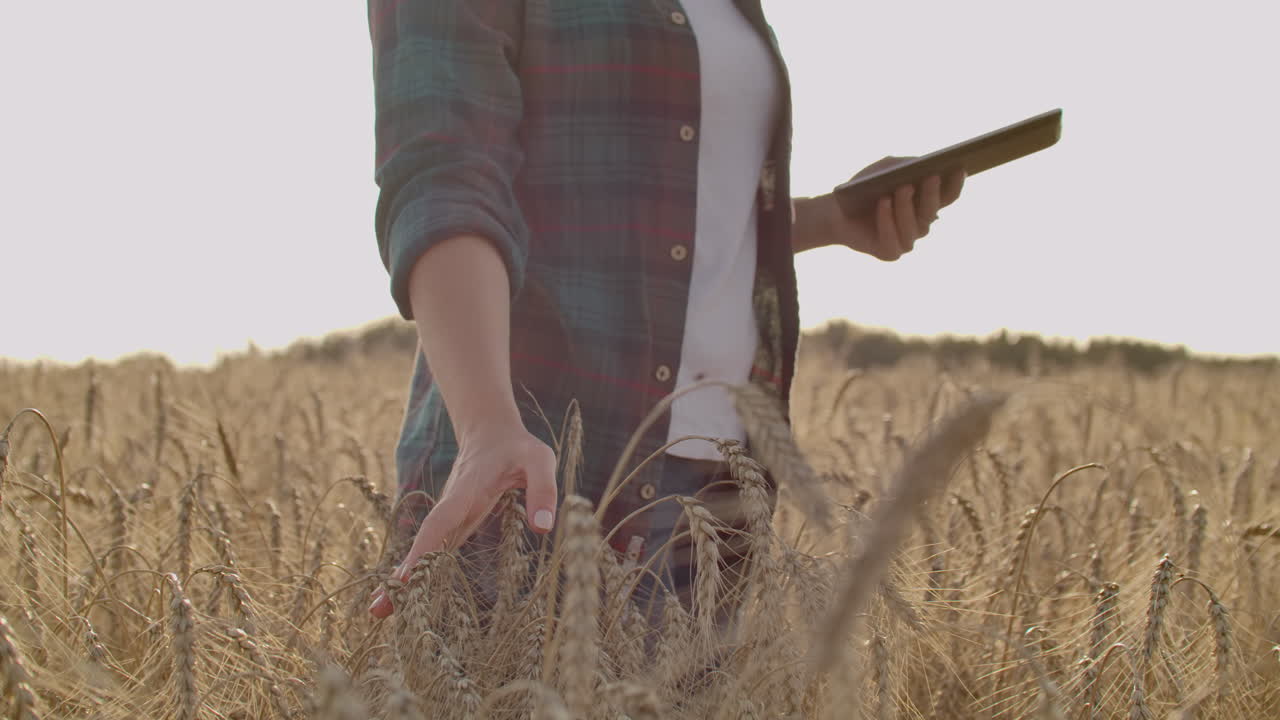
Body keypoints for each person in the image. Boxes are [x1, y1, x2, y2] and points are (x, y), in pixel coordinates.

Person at [365, 0, 963, 620]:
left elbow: (682, 210)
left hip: (716, 501)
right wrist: (486, 426)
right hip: (533, 479)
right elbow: (445, 177)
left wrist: (831, 218)